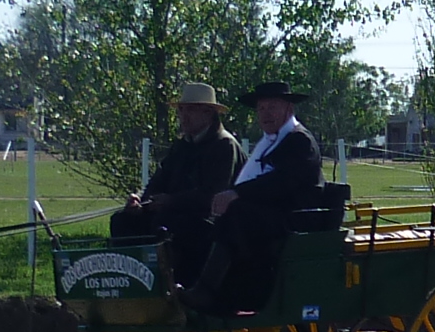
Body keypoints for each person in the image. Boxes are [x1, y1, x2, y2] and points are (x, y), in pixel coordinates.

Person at [179, 79, 323, 311]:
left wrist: (236, 194)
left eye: (272, 107)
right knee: (220, 218)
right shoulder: (270, 141)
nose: (265, 114)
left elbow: (281, 183)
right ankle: (215, 288)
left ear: (289, 109)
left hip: (297, 217)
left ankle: (210, 291)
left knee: (236, 213)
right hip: (276, 213)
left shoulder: (299, 140)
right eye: (261, 108)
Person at [112, 82, 244, 284]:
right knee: (122, 220)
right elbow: (159, 180)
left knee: (171, 225)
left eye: (190, 110)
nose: (183, 116)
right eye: (181, 110)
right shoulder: (182, 146)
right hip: (172, 213)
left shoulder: (223, 146)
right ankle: (130, 284)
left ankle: (174, 290)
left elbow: (212, 195)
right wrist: (140, 199)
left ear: (208, 113)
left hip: (209, 222)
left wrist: (170, 201)